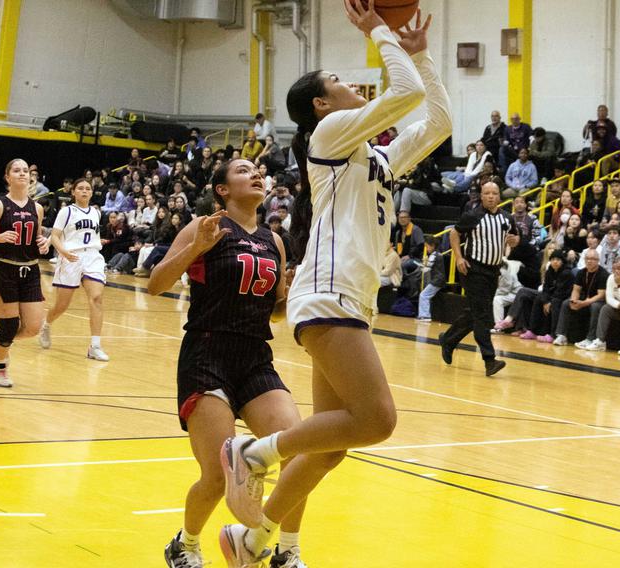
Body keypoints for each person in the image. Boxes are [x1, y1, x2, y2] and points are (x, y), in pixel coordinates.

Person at [216, 6, 452, 566]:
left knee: (332, 447)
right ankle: (250, 452)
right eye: (340, 82)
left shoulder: (372, 157)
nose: (351, 86)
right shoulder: (328, 133)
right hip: (329, 294)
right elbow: (405, 95)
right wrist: (380, 32)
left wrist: (420, 52)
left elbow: (437, 120)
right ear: (321, 104)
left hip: (347, 298)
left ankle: (260, 542)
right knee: (378, 420)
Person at [147, 159, 310, 568]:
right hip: (207, 352)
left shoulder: (275, 239)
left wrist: (298, 293)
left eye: (257, 170)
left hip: (255, 355)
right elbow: (155, 284)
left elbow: (274, 312)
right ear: (222, 189)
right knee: (218, 476)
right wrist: (195, 248)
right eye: (242, 170)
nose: (255, 174)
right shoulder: (206, 225)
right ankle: (185, 544)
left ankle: (286, 550)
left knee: (299, 452)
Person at [0, 159, 50, 387]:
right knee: (10, 326)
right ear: (7, 177)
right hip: (4, 269)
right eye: (17, 171)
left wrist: (43, 244)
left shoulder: (37, 208)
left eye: (25, 171)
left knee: (34, 327)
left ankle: (1, 337)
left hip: (31, 271)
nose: (22, 174)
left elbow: (35, 240)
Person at [440, 181, 515, 372]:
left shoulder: (507, 218)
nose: (490, 196)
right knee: (483, 316)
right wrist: (458, 258)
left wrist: (516, 240)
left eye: (494, 193)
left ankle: (448, 340)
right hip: (474, 270)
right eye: (487, 193)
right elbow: (454, 234)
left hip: (493, 271)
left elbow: (515, 236)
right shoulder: (473, 216)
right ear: (481, 196)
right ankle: (489, 360)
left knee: (474, 313)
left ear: (499, 196)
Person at [38, 179, 109, 362]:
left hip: (92, 257)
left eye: (88, 189)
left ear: (92, 193)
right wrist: (63, 252)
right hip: (71, 257)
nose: (84, 191)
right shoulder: (66, 211)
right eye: (81, 188)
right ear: (74, 192)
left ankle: (95, 346)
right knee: (62, 306)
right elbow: (55, 236)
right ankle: (46, 324)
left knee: (96, 298)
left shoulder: (96, 212)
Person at [559, 248, 607, 347]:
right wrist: (574, 300)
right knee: (566, 303)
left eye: (593, 259)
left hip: (599, 301)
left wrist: (584, 303)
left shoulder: (603, 274)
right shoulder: (581, 272)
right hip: (585, 298)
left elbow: (601, 295)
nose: (589, 261)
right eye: (587, 258)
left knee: (595, 307)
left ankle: (590, 338)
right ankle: (562, 335)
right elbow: (576, 289)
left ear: (598, 261)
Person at [416, 235, 445, 322]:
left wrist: (421, 266)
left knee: (424, 295)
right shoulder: (438, 254)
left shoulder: (434, 255)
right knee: (425, 295)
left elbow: (427, 268)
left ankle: (425, 316)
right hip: (438, 280)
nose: (426, 248)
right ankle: (424, 315)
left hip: (437, 280)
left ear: (432, 245)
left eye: (427, 246)